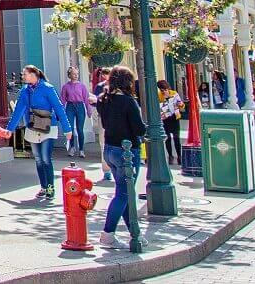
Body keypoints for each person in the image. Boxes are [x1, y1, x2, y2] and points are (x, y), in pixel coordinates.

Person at [95, 65, 146, 249]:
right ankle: (108, 234)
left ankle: (135, 233)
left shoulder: (103, 100)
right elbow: (139, 129)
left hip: (110, 149)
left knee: (124, 194)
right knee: (124, 194)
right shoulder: (128, 102)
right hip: (127, 151)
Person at [6, 65, 72, 200]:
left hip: (48, 125)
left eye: (25, 74)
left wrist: (67, 128)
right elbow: (18, 109)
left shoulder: (47, 88)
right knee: (38, 159)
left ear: (33, 74)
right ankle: (43, 186)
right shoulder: (25, 90)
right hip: (33, 125)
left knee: (46, 157)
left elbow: (58, 107)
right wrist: (10, 129)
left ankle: (50, 187)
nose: (23, 77)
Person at [60, 67, 91, 158]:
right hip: (70, 106)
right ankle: (72, 147)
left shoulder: (82, 86)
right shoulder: (66, 86)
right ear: (69, 75)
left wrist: (89, 111)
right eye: (74, 74)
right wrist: (60, 112)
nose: (76, 76)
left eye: (77, 74)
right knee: (70, 129)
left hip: (80, 106)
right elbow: (62, 100)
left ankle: (81, 149)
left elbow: (86, 99)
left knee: (80, 129)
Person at [157, 80, 185, 165]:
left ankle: (179, 156)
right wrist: (165, 98)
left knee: (176, 138)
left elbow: (181, 104)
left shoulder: (174, 93)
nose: (164, 91)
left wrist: (180, 104)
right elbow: (160, 107)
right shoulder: (159, 96)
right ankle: (170, 156)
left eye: (165, 89)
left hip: (174, 118)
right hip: (165, 119)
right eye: (162, 90)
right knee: (167, 138)